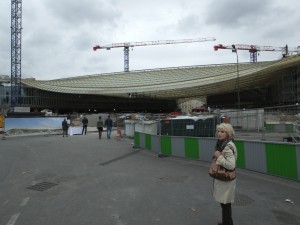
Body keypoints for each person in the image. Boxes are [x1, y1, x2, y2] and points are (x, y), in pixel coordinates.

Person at [212, 123, 237, 225]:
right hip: (225, 179)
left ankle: (227, 223)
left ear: (228, 133)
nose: (219, 133)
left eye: (222, 131)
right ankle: (225, 222)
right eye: (218, 131)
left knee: (226, 204)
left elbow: (231, 165)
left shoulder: (227, 146)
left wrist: (219, 156)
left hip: (225, 180)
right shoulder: (224, 143)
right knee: (224, 204)